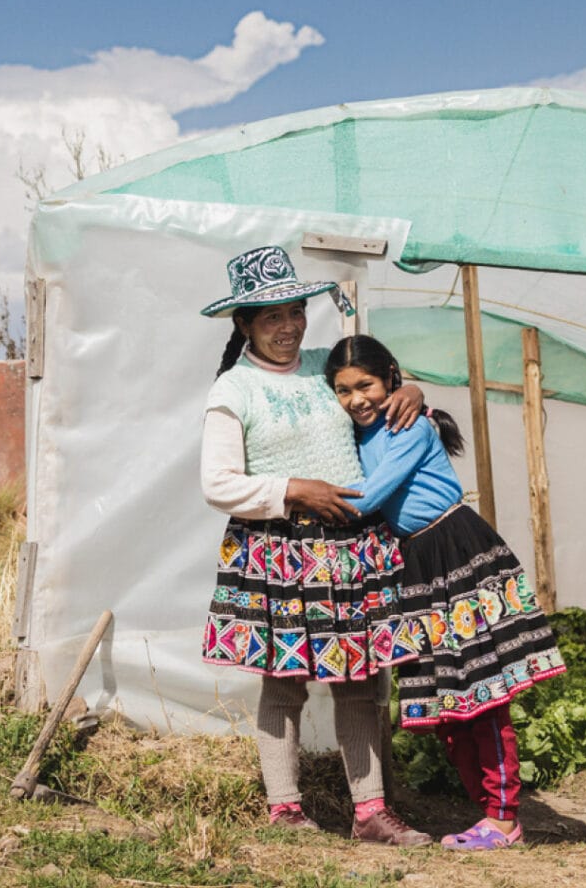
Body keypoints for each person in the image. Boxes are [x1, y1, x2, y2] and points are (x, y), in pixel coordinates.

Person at [199, 245, 431, 847]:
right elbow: (217, 483)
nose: (288, 325)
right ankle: (285, 810)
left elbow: (377, 380)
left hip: (353, 545)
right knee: (283, 682)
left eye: (295, 310)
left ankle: (371, 813)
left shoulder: (327, 364)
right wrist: (293, 490)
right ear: (245, 324)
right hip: (283, 548)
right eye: (271, 316)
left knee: (362, 678)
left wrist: (415, 390)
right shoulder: (235, 389)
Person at [324, 334, 567, 851]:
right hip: (418, 562)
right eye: (343, 391)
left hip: (456, 551)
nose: (356, 399)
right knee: (446, 699)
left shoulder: (410, 424)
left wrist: (301, 494)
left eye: (364, 384)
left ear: (389, 375)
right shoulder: (362, 428)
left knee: (483, 691)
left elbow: (369, 497)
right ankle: (489, 811)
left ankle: (504, 818)